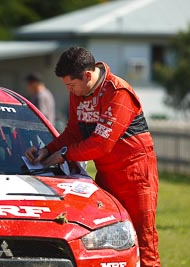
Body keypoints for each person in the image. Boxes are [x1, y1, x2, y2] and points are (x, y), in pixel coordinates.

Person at [25, 46, 160, 267]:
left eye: (71, 85)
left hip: (136, 177)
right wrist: (46, 150)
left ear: (87, 75)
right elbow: (73, 132)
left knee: (144, 242)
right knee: (107, 239)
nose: (70, 91)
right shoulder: (78, 92)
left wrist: (65, 155)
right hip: (106, 174)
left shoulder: (118, 92)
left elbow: (102, 144)